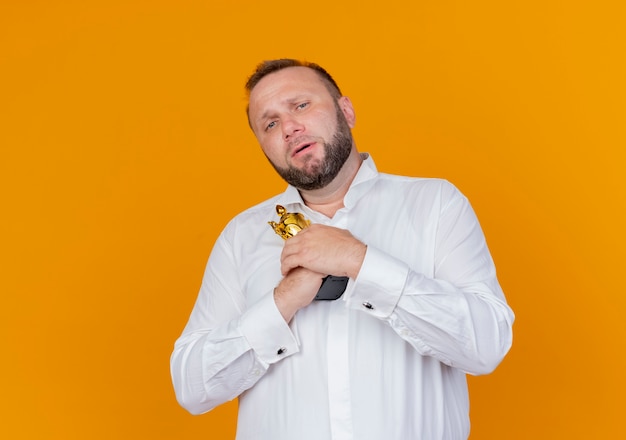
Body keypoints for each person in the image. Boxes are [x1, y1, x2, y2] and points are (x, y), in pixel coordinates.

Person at [170, 59, 514, 440]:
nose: (289, 128)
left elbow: (486, 346)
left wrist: (361, 262)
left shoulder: (436, 205)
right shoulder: (241, 237)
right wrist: (281, 303)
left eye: (301, 105)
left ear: (346, 111)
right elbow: (192, 387)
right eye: (270, 123)